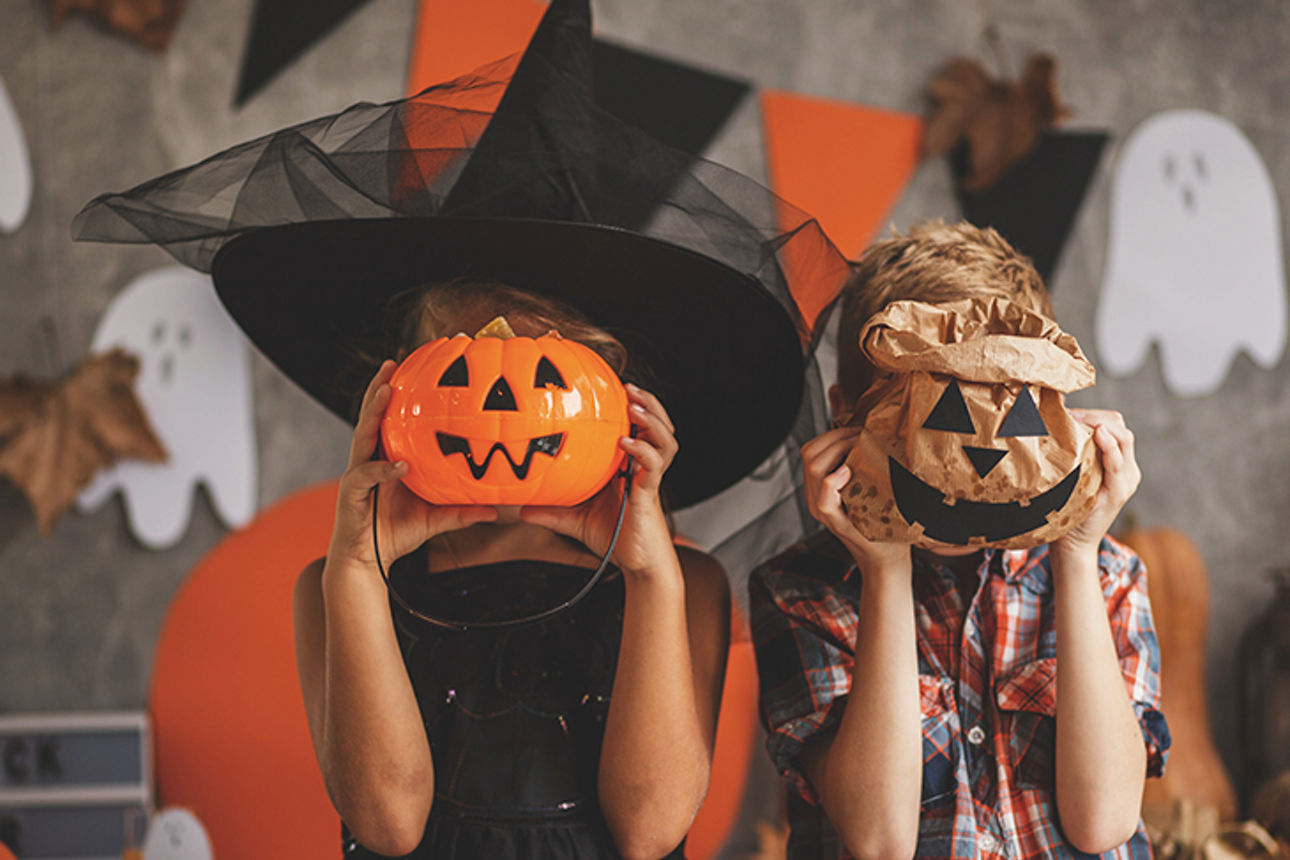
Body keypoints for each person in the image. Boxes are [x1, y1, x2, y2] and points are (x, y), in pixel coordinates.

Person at [750, 221, 1170, 860]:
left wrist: (1077, 553)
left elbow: (1105, 819)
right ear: (846, 414)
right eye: (940, 415)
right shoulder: (801, 590)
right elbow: (878, 838)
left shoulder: (1110, 574)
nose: (976, 461)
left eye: (1013, 417)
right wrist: (884, 569)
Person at [293, 279, 730, 858]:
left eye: (545, 375)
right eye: (457, 372)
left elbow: (650, 830)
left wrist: (651, 576)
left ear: (613, 397)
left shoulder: (684, 583)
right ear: (399, 398)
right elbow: (387, 824)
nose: (501, 406)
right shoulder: (342, 581)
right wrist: (355, 569)